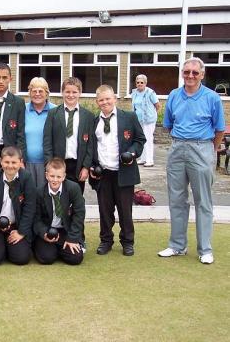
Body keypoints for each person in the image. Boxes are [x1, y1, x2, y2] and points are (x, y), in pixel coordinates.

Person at [158, 57, 225, 265]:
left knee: (203, 201)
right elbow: (168, 124)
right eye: (186, 72)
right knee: (177, 199)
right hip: (177, 147)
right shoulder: (174, 95)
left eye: (195, 73)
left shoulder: (212, 98)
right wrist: (182, 142)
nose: (190, 76)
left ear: (202, 75)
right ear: (182, 73)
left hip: (202, 147)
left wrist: (210, 149)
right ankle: (177, 245)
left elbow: (220, 129)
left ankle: (205, 249)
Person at [90, 85, 145, 257]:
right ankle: (106, 240)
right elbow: (90, 147)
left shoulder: (129, 117)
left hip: (124, 172)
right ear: (97, 102)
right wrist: (92, 166)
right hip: (103, 173)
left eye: (108, 98)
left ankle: (127, 241)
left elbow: (140, 139)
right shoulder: (94, 122)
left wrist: (133, 153)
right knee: (105, 211)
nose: (105, 102)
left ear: (114, 98)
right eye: (101, 100)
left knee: (125, 211)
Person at [0, 146, 36, 265]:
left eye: (14, 162)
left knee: (21, 259)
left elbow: (30, 207)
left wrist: (21, 232)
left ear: (20, 162)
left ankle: (9, 247)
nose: (10, 166)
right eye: (6, 162)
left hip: (16, 225)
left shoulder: (27, 178)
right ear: (0, 161)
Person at [43, 77, 94, 194]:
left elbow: (91, 145)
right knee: (58, 198)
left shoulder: (88, 116)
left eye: (74, 92)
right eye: (67, 92)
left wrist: (86, 167)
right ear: (62, 92)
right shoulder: (53, 114)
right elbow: (47, 142)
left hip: (78, 165)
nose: (71, 95)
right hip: (58, 165)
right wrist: (49, 165)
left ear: (80, 93)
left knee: (76, 199)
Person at [34, 158, 85, 265]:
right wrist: (44, 233)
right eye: (52, 176)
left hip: (65, 230)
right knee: (46, 258)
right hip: (48, 229)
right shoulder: (39, 192)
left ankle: (62, 247)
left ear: (64, 176)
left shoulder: (74, 188)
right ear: (46, 175)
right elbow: (36, 219)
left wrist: (72, 238)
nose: (55, 180)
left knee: (75, 259)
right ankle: (52, 249)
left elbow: (79, 215)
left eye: (58, 177)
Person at [24, 77, 56, 188]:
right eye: (34, 91)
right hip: (26, 164)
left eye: (41, 91)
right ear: (30, 93)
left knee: (45, 198)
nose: (37, 94)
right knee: (29, 197)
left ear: (47, 93)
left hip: (48, 164)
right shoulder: (22, 110)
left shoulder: (55, 111)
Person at [131, 74, 160, 167]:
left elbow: (158, 105)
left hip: (149, 120)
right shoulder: (134, 92)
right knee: (141, 139)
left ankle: (149, 160)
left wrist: (153, 114)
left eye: (141, 82)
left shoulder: (150, 93)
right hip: (138, 120)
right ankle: (143, 159)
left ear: (145, 83)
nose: (139, 84)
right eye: (138, 82)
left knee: (148, 139)